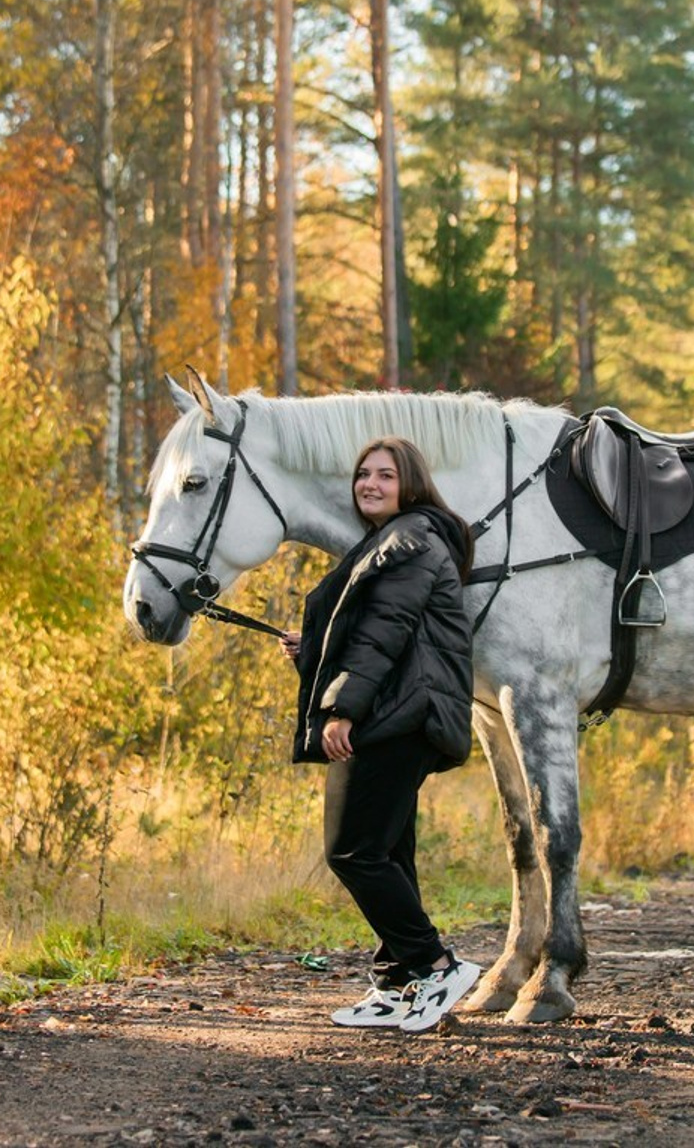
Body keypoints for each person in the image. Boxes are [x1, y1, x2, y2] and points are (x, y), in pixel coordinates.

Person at [280, 435, 481, 1032]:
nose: (369, 483)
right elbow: (376, 634)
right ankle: (399, 982)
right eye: (363, 474)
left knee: (352, 851)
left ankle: (436, 965)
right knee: (389, 852)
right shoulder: (396, 539)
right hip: (395, 712)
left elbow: (384, 634)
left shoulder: (411, 540)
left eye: (385, 475)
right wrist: (312, 651)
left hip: (394, 718)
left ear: (410, 484)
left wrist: (340, 709)